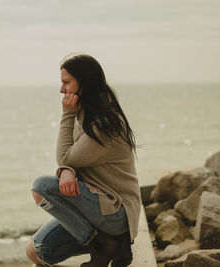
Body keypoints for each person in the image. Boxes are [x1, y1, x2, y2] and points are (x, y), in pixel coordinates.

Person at [25, 54, 141, 267]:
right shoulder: (87, 113)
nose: (62, 90)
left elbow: (65, 157)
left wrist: (67, 115)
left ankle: (102, 245)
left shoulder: (107, 123)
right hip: (96, 209)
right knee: (36, 251)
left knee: (41, 188)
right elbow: (70, 160)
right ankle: (108, 244)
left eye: (66, 82)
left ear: (84, 82)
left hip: (116, 212)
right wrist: (68, 170)